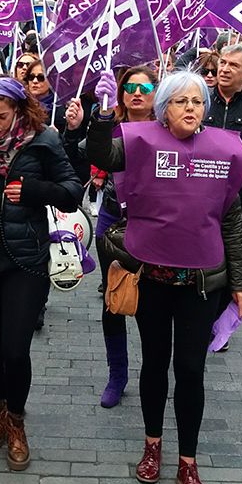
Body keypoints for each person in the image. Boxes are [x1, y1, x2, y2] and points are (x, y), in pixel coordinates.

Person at [88, 70, 242, 484]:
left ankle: (189, 462)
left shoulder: (222, 150)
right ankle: (152, 444)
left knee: (191, 372)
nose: (190, 109)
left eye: (197, 101)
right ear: (163, 108)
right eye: (180, 101)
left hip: (201, 284)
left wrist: (240, 282)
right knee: (155, 365)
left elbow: (231, 220)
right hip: (154, 281)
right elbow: (103, 155)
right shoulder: (142, 143)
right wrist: (104, 115)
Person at [0, 76, 83, 471]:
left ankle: (17, 420)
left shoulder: (42, 139)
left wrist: (34, 191)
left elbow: (73, 191)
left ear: (19, 111)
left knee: (14, 348)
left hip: (25, 257)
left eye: (2, 116)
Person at [75, 65, 157, 408]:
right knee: (115, 299)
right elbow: (83, 150)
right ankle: (117, 374)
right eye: (130, 87)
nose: (137, 92)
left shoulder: (168, 129)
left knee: (151, 304)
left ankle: (154, 373)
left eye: (145, 86)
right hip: (113, 218)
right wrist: (93, 119)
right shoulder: (112, 125)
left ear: (157, 93)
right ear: (121, 93)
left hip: (154, 223)